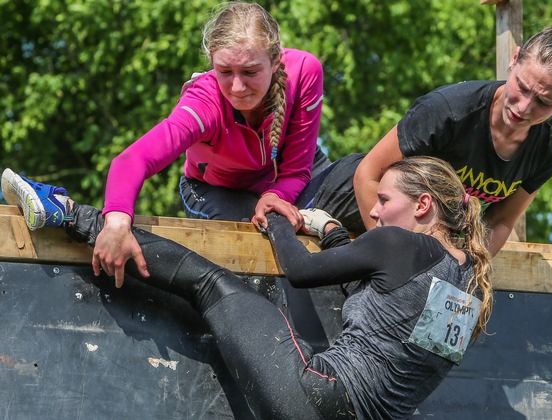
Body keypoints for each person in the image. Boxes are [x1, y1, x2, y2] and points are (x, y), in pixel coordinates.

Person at [2, 155, 493, 419]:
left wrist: (277, 216)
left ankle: (68, 214)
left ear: (423, 206)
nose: (377, 212)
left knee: (214, 285)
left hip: (319, 394)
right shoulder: (467, 290)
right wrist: (333, 234)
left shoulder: (399, 244)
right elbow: (376, 304)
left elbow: (300, 272)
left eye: (384, 201)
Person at [38, 2, 328, 285]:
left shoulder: (304, 71)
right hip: (215, 189)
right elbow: (132, 159)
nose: (237, 88)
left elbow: (296, 171)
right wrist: (115, 223)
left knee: (353, 183)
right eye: (225, 71)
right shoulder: (204, 103)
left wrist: (275, 195)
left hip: (282, 177)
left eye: (250, 72)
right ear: (212, 61)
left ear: (276, 60)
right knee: (258, 249)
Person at [305, 11, 552, 256]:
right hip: (345, 205)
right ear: (514, 59)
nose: (523, 107)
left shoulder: (551, 146)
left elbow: (499, 220)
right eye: (522, 87)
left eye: (544, 102)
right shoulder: (450, 110)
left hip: (415, 241)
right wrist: (392, 259)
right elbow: (368, 174)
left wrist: (465, 269)